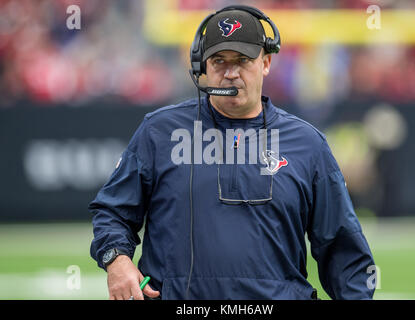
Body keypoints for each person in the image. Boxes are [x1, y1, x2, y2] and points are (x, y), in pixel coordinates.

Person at [89, 5, 376, 300]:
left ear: (265, 62)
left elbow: (344, 251)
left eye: (242, 60)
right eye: (219, 61)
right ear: (202, 67)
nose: (231, 73)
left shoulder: (308, 143)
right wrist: (117, 260)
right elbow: (113, 211)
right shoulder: (159, 132)